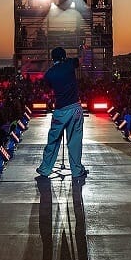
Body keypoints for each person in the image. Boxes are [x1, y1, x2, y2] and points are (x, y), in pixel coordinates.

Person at [36, 47, 88, 179]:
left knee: (53, 140)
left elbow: (50, 88)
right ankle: (76, 170)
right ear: (64, 56)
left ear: (52, 58)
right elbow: (81, 60)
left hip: (60, 111)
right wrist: (83, 50)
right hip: (75, 108)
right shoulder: (69, 64)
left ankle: (45, 168)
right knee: (75, 141)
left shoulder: (49, 74)